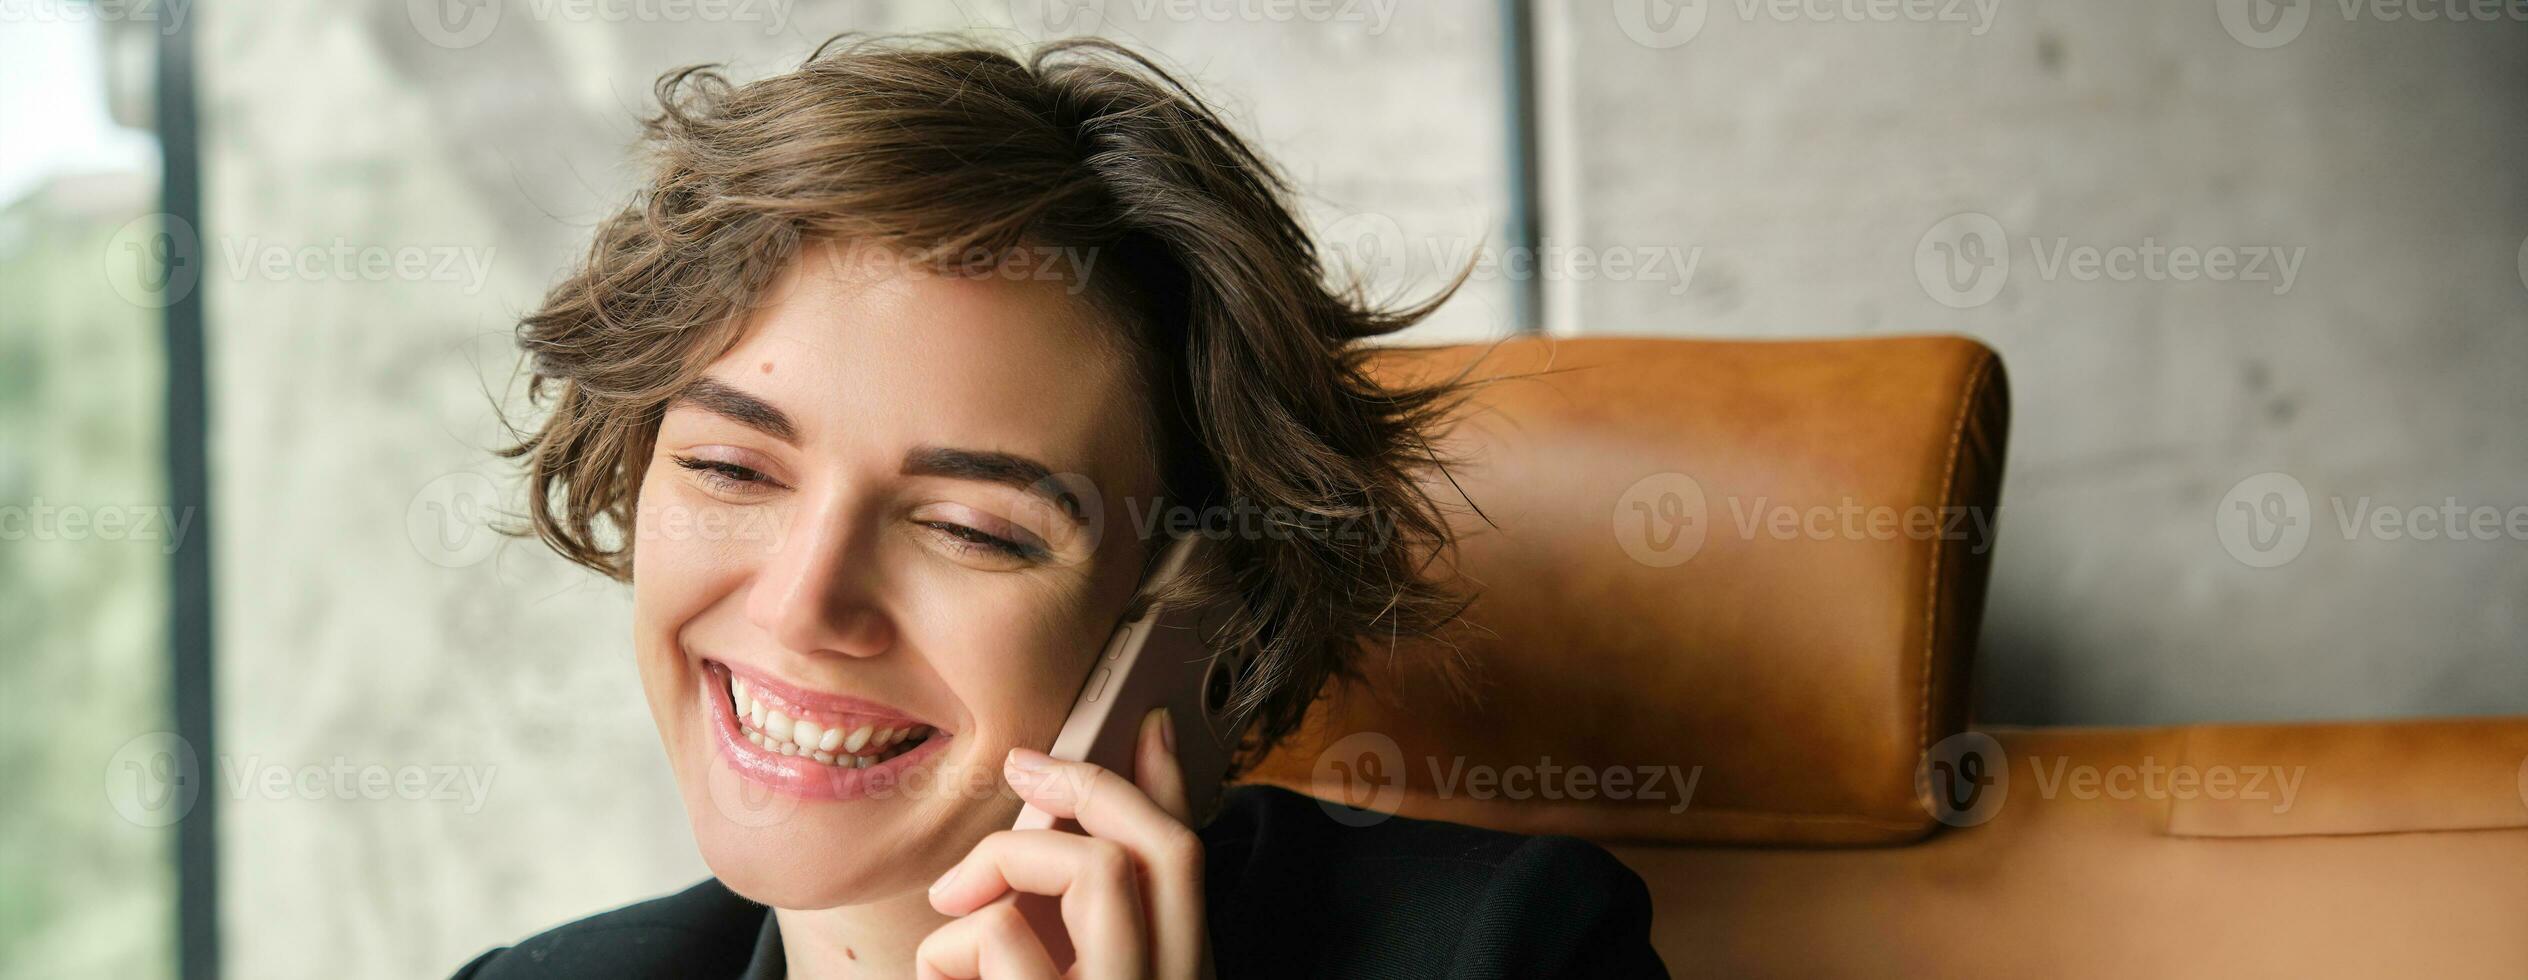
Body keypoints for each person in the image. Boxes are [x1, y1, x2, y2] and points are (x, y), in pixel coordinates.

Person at [455, 35, 1665, 979]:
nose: (802, 604)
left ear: (1192, 612)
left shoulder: (1503, 949)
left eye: (969, 529)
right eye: (731, 468)